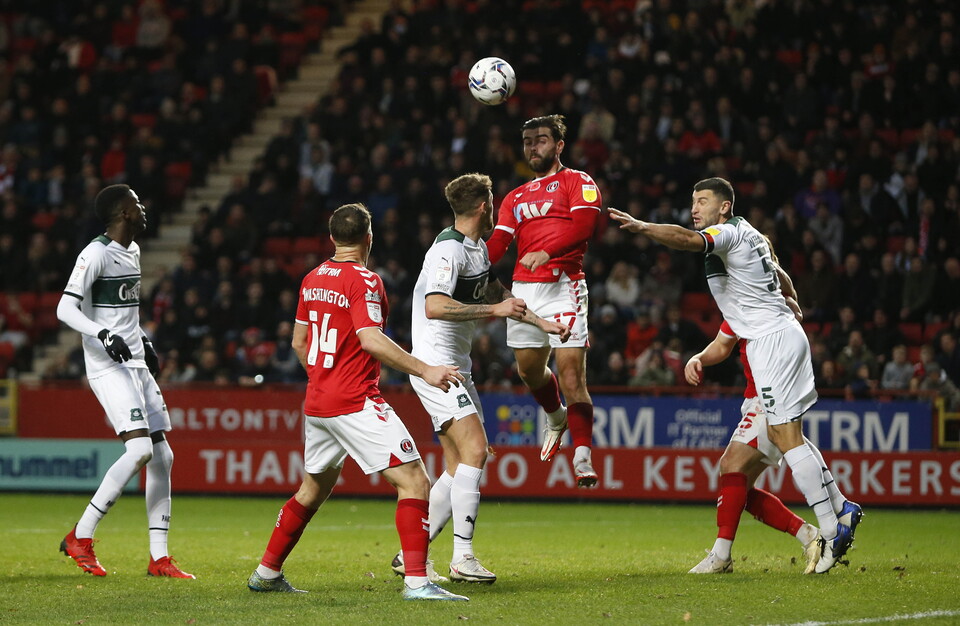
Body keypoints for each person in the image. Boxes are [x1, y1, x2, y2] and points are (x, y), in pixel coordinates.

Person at [609, 177, 860, 573]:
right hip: (779, 337)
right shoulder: (752, 241)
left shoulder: (725, 233)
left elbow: (689, 241)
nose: (694, 209)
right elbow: (778, 276)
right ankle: (835, 516)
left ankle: (830, 529)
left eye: (703, 201)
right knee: (769, 447)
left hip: (771, 343)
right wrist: (789, 301)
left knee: (783, 436)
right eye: (692, 201)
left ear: (724, 207)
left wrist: (643, 227)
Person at [246, 203, 468, 601]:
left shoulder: (311, 278)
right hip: (354, 400)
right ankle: (417, 583)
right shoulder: (365, 281)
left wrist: (323, 379)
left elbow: (299, 342)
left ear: (332, 238)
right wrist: (425, 370)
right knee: (415, 481)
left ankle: (266, 572)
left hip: (318, 403)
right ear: (369, 237)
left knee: (311, 490)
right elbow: (370, 338)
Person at [390, 173, 571, 584]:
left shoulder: (476, 251)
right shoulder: (447, 251)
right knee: (475, 450)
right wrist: (495, 314)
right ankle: (462, 558)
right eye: (494, 202)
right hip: (436, 367)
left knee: (460, 465)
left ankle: (409, 554)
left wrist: (544, 323)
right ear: (484, 207)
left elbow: (497, 296)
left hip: (458, 367)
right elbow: (435, 307)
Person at [683, 244, 861, 574]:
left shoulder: (761, 303)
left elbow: (729, 341)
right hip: (761, 395)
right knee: (741, 485)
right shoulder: (757, 303)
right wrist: (698, 358)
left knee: (731, 466)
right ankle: (818, 527)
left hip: (766, 397)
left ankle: (723, 555)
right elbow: (723, 344)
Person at [55, 184, 193, 579]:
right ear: (123, 213)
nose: (144, 208)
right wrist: (101, 336)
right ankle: (81, 536)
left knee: (164, 456)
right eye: (137, 203)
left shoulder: (132, 251)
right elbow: (65, 307)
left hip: (135, 362)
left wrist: (142, 339)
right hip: (108, 365)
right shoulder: (94, 253)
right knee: (139, 452)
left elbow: (122, 313)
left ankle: (159, 558)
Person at [486, 114, 603, 487]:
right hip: (524, 290)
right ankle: (556, 417)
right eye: (527, 141)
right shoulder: (515, 197)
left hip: (564, 284)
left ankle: (582, 457)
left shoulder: (577, 182)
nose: (533, 147)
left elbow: (584, 227)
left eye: (540, 140)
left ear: (559, 145)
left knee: (571, 373)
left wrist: (547, 251)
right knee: (528, 371)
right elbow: (499, 244)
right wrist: (466, 261)